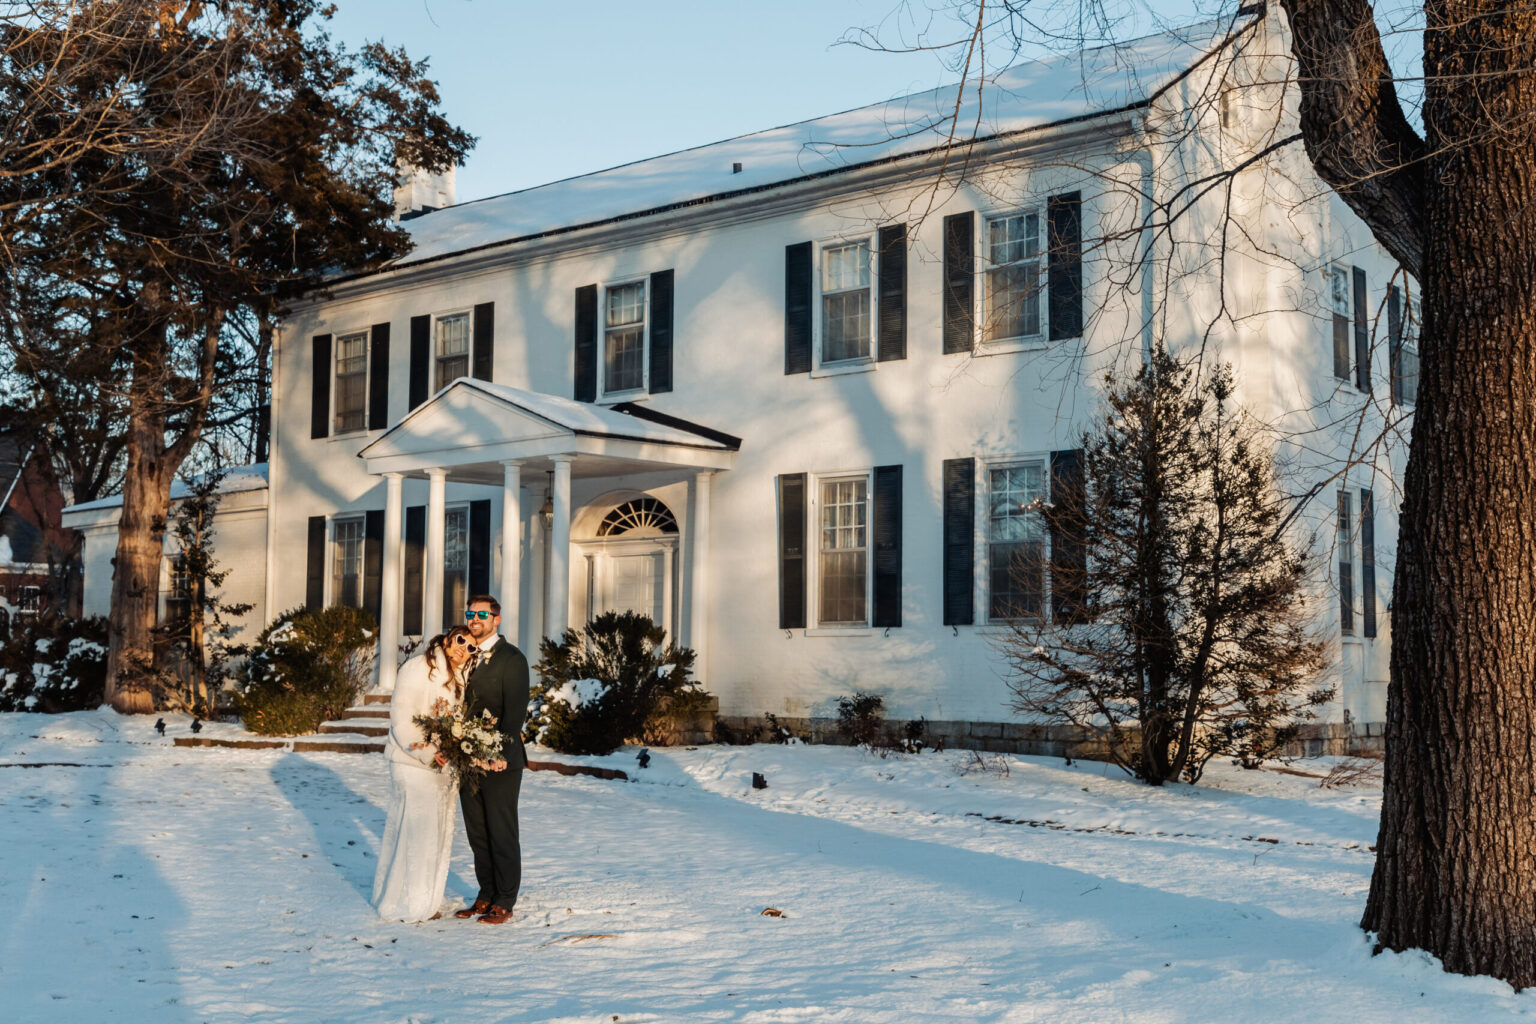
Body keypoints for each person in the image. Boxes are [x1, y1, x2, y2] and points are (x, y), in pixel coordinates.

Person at [371, 625, 475, 922]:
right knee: (414, 832)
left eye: (470, 647)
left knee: (435, 833)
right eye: (459, 641)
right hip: (412, 763)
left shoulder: (460, 678)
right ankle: (405, 903)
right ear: (445, 639)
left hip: (443, 767)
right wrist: (428, 753)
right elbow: (401, 718)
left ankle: (426, 900)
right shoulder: (418, 668)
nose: (462, 649)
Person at [454, 594, 530, 925]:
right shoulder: (465, 657)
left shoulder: (511, 659)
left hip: (500, 761)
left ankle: (505, 898)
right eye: (470, 613)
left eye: (482, 614)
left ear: (496, 619)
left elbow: (514, 714)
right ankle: (485, 894)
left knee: (501, 830)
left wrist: (499, 753)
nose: (474, 618)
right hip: (468, 759)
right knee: (477, 833)